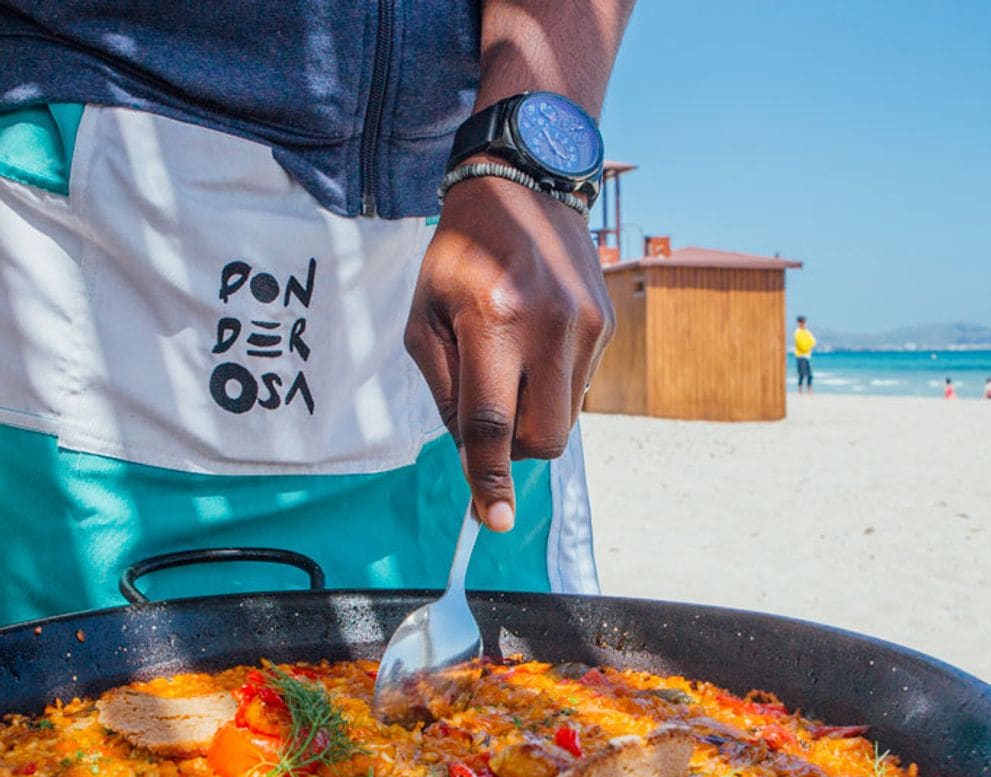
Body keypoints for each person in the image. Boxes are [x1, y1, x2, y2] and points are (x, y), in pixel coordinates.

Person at [0, 2, 636, 624]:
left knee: (509, 705)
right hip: (78, 238)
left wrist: (526, 161)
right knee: (61, 696)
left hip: (460, 246)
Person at [793, 315, 816, 394]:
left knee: (810, 375)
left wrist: (807, 346)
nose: (802, 323)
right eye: (801, 322)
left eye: (803, 322)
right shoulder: (797, 332)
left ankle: (809, 389)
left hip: (807, 356)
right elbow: (800, 343)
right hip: (800, 356)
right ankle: (800, 390)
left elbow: (813, 341)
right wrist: (806, 346)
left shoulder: (807, 332)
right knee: (801, 374)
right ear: (798, 322)